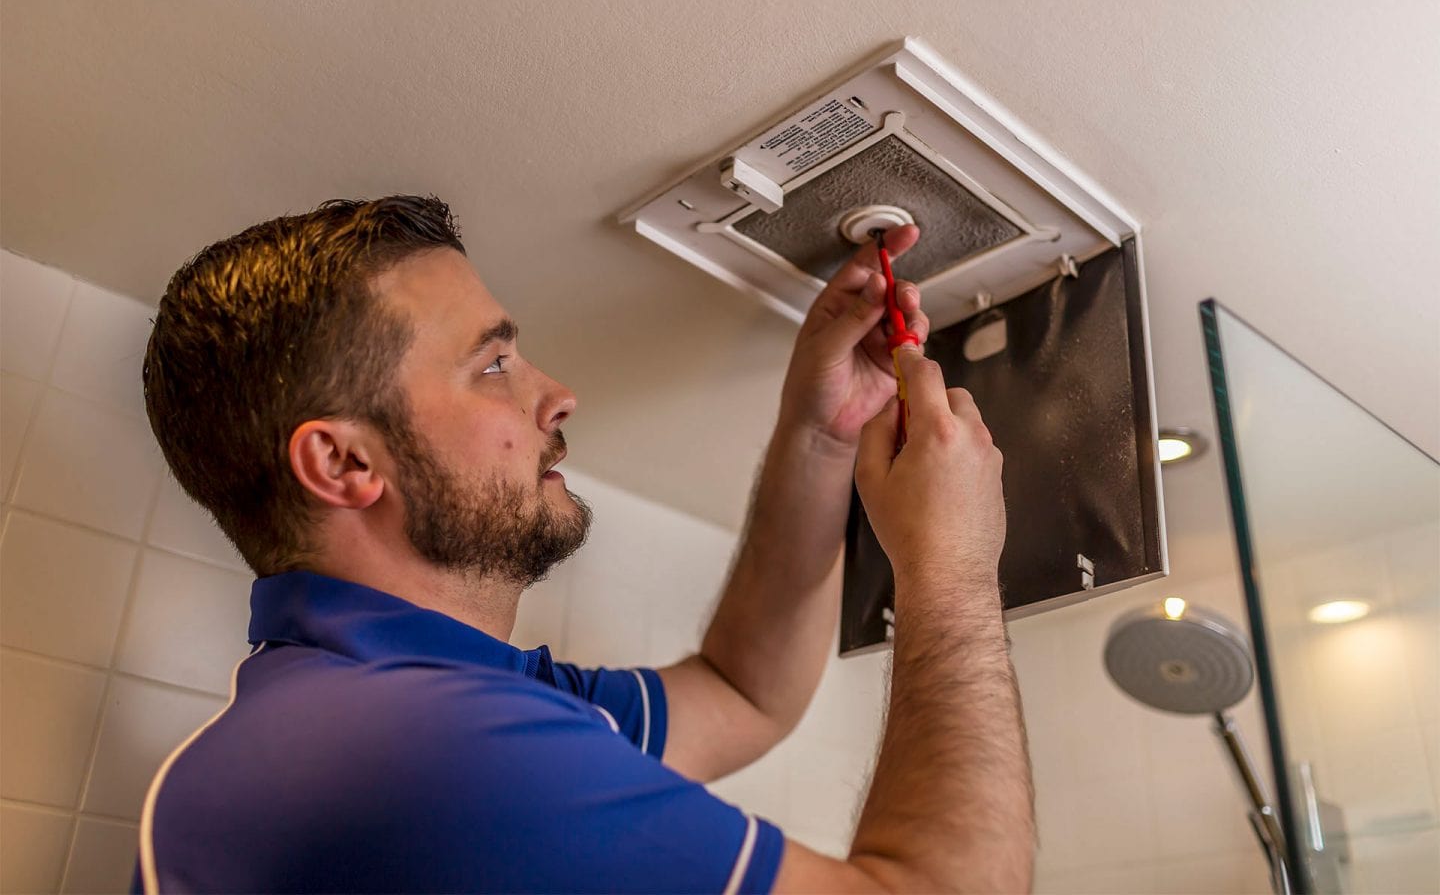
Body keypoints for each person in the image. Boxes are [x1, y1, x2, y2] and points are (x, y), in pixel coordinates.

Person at [138, 195, 1033, 894]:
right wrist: (951, 569)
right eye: (491, 365)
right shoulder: (422, 748)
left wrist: (824, 431)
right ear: (342, 462)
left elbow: (745, 693)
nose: (556, 394)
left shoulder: (400, 698)